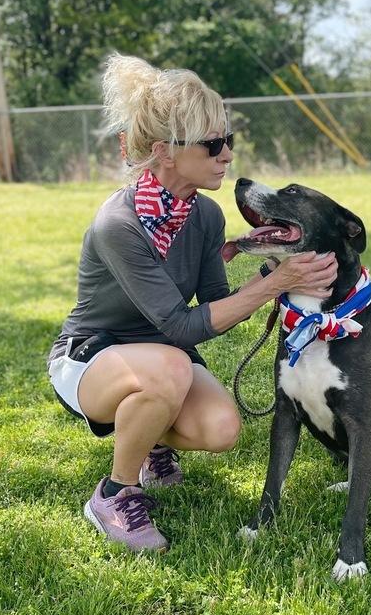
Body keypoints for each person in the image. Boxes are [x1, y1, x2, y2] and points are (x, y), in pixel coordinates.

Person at [47, 54, 338, 554]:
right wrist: (270, 286)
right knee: (170, 367)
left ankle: (151, 441)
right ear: (164, 152)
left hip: (165, 359)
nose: (227, 155)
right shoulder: (118, 225)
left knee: (222, 429)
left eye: (229, 140)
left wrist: (275, 272)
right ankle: (115, 493)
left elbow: (217, 307)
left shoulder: (204, 214)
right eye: (212, 144)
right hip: (91, 357)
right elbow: (183, 328)